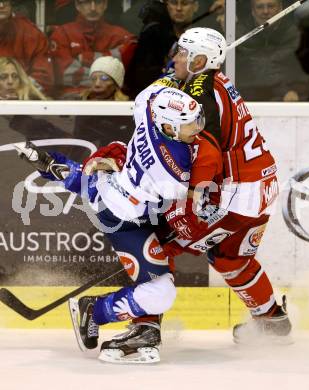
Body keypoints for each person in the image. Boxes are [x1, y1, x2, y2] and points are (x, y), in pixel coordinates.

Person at [15, 87, 205, 364]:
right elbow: (183, 199)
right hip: (124, 218)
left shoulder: (148, 109)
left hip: (117, 184)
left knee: (99, 179)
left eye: (197, 119)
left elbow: (146, 95)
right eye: (190, 124)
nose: (198, 128)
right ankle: (95, 310)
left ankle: (57, 166)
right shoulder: (172, 168)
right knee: (161, 293)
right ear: (168, 126)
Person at [163, 27, 292, 342]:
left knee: (163, 241)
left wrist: (195, 193)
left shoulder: (200, 93)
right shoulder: (216, 83)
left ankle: (144, 325)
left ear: (200, 59)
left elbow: (207, 152)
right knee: (230, 257)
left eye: (182, 52)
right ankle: (273, 322)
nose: (175, 57)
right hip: (262, 186)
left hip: (240, 195)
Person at [50, 0, 136, 99]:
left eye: (98, 2)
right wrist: (109, 72)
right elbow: (65, 76)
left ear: (105, 5)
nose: (93, 8)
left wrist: (84, 58)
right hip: (73, 101)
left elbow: (127, 76)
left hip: (112, 102)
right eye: (86, 2)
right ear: (77, 5)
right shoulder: (62, 34)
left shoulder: (121, 36)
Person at [235, 0, 309, 101]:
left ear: (281, 8)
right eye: (260, 7)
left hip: (289, 95)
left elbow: (301, 70)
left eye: (271, 6)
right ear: (252, 11)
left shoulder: (294, 32)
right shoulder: (241, 34)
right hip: (249, 97)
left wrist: (291, 90)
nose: (265, 11)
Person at [0, 0, 53, 93]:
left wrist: (21, 90)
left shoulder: (29, 32)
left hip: (23, 102)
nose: (1, 5)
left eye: (4, 0)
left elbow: (44, 76)